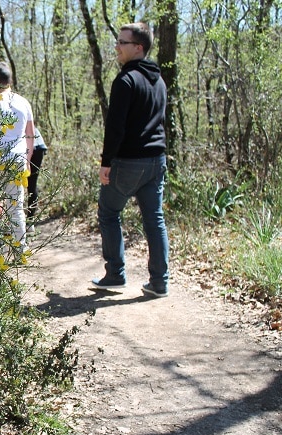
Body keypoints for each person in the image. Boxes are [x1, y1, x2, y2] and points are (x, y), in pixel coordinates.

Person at [92, 22, 169, 298]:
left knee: (109, 213)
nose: (117, 47)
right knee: (154, 219)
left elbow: (115, 127)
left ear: (138, 47)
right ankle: (159, 282)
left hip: (129, 161)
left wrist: (106, 162)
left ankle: (115, 274)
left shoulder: (125, 80)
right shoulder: (158, 80)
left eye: (122, 43)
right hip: (156, 161)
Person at [0, 62, 34, 247]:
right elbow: (30, 135)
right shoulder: (24, 102)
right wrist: (27, 161)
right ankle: (22, 249)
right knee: (16, 206)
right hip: (18, 158)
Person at [27, 126, 48, 230]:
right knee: (31, 184)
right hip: (38, 144)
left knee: (29, 184)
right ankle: (29, 222)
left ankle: (29, 220)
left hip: (30, 145)